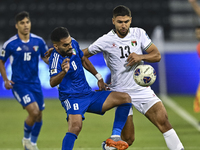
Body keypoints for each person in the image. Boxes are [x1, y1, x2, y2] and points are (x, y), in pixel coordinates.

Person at [82, 5, 185, 150]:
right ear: (113, 21)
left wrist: (141, 57)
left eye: (126, 21)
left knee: (164, 122)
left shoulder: (139, 33)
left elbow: (157, 55)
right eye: (119, 22)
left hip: (142, 89)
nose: (123, 25)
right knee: (128, 139)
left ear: (130, 20)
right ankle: (108, 147)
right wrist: (98, 77)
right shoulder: (106, 40)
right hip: (121, 94)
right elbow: (82, 56)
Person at [48, 26, 132, 150]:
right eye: (65, 45)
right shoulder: (55, 59)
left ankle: (114, 138)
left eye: (70, 42)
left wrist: (98, 77)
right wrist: (63, 72)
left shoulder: (73, 45)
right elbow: (52, 82)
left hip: (88, 94)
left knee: (125, 98)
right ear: (56, 46)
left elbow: (83, 59)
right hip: (71, 98)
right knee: (75, 127)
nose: (70, 46)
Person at [0, 11, 49, 150]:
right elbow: (1, 61)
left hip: (35, 83)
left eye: (27, 22)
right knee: (33, 112)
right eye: (22, 23)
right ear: (17, 26)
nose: (26, 25)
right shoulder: (10, 44)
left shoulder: (38, 41)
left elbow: (45, 58)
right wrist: (5, 79)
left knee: (39, 115)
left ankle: (32, 144)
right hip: (19, 84)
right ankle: (26, 140)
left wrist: (51, 62)